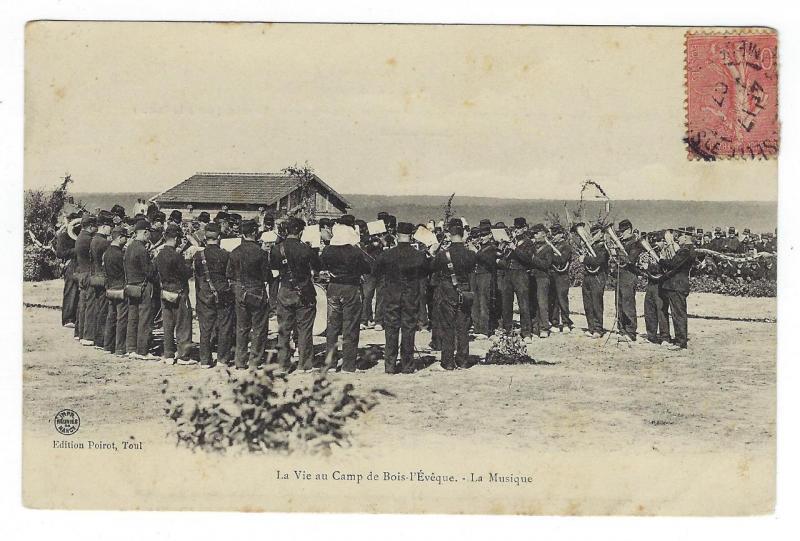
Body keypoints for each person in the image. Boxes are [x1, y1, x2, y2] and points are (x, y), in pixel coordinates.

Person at [374, 221, 433, 374]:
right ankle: (407, 365)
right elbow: (426, 272)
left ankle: (390, 365)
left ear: (397, 235)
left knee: (391, 330)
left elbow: (376, 271)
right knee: (408, 330)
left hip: (391, 295)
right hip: (410, 296)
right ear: (411, 236)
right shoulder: (418, 255)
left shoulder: (387, 254)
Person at [320, 216, 373, 372]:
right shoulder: (354, 251)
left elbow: (321, 264)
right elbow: (367, 268)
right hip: (351, 287)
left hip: (333, 287)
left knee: (332, 326)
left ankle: (330, 363)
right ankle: (348, 365)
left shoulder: (328, 250)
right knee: (350, 326)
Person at [270, 217, 321, 371]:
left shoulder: (276, 249)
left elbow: (274, 268)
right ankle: (304, 365)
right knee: (305, 329)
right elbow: (318, 266)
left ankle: (283, 365)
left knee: (283, 329)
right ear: (300, 231)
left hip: (285, 290)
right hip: (304, 290)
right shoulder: (306, 248)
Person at [430, 221, 477, 369]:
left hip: (448, 290)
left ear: (449, 235)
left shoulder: (444, 254)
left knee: (447, 326)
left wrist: (432, 253)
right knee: (463, 326)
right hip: (465, 290)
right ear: (463, 235)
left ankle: (448, 362)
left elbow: (432, 268)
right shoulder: (470, 254)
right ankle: (463, 360)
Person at [227, 219, 272, 369]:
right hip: (257, 292)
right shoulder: (261, 253)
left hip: (240, 292)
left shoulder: (234, 252)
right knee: (259, 328)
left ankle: (240, 361)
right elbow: (267, 276)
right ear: (253, 232)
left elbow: (229, 274)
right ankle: (254, 361)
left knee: (241, 328)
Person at [193, 222, 235, 368]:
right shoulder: (225, 254)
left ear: (205, 237)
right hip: (223, 293)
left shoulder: (199, 256)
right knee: (224, 327)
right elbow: (229, 274)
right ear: (219, 236)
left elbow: (198, 276)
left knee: (205, 328)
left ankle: (205, 360)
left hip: (205, 294)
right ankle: (223, 359)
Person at [154, 224, 195, 365]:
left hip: (165, 291)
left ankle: (169, 354)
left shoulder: (160, 254)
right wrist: (189, 262)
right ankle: (183, 355)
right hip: (179, 291)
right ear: (176, 238)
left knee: (168, 324)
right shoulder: (176, 256)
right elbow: (186, 273)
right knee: (183, 324)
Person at [125, 219, 158, 360]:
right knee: (145, 319)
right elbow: (149, 272)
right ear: (145, 232)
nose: (150, 236)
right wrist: (155, 260)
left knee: (132, 318)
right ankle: (143, 350)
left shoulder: (130, 247)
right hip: (143, 287)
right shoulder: (142, 249)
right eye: (149, 233)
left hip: (131, 286)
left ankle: (131, 348)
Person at [659, 230, 696, 350]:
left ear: (685, 238)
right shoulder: (687, 249)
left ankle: (680, 342)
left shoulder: (685, 250)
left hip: (677, 286)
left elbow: (673, 263)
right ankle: (680, 340)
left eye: (679, 237)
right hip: (676, 285)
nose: (677, 239)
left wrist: (660, 260)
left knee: (678, 314)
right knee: (677, 313)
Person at [499, 217, 535, 342]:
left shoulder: (529, 242)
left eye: (519, 228)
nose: (517, 230)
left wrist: (514, 248)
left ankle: (526, 333)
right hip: (508, 273)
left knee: (523, 304)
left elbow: (527, 259)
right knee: (506, 303)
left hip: (521, 274)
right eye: (515, 228)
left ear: (525, 228)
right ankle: (507, 330)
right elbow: (503, 257)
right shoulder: (512, 241)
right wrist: (503, 247)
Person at [86, 211, 114, 348]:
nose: (111, 229)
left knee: (98, 308)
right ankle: (101, 339)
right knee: (104, 310)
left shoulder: (93, 240)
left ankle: (97, 337)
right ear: (103, 226)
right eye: (110, 226)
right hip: (104, 278)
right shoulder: (104, 242)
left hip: (95, 276)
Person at [614, 219, 644, 342]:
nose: (620, 234)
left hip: (630, 275)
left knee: (628, 304)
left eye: (623, 231)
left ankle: (631, 332)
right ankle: (621, 329)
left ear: (629, 230)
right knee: (619, 303)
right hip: (620, 275)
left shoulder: (635, 243)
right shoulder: (622, 242)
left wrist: (618, 252)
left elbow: (630, 259)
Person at [102, 226, 128, 356]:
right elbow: (126, 272)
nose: (126, 240)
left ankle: (107, 346)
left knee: (110, 318)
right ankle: (120, 348)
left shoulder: (107, 253)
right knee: (121, 319)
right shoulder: (121, 254)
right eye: (125, 237)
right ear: (119, 237)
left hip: (110, 288)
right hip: (121, 289)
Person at [580, 224, 609, 338]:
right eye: (592, 234)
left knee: (596, 303)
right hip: (588, 276)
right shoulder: (590, 246)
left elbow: (598, 261)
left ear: (601, 234)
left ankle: (598, 329)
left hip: (598, 277)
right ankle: (591, 327)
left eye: (595, 234)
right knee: (588, 304)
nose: (592, 236)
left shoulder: (603, 248)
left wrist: (585, 259)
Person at [525, 223, 554, 338]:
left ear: (543, 234)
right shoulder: (532, 247)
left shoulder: (548, 248)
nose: (535, 236)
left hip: (542, 278)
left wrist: (532, 258)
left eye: (537, 233)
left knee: (542, 304)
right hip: (532, 278)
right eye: (534, 234)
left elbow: (546, 264)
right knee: (533, 303)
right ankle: (535, 327)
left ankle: (544, 328)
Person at [642, 232, 671, 346]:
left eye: (658, 241)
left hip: (662, 284)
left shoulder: (667, 253)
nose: (655, 244)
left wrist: (648, 267)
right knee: (649, 309)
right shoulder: (651, 252)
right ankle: (651, 336)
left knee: (661, 311)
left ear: (663, 242)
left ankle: (665, 337)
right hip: (651, 283)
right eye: (654, 242)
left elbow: (663, 267)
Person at [472, 223, 499, 339]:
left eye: (483, 235)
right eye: (480, 235)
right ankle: (477, 327)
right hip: (477, 275)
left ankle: (484, 330)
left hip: (486, 276)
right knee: (475, 303)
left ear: (489, 235)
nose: (481, 238)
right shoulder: (481, 247)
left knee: (484, 302)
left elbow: (489, 261)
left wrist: (476, 252)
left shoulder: (492, 247)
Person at [74, 215, 97, 344]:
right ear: (90, 226)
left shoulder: (79, 237)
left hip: (82, 273)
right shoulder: (89, 239)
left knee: (82, 305)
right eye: (95, 226)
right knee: (90, 305)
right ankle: (88, 336)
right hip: (89, 274)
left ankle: (79, 332)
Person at [55, 212, 81, 328]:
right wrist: (75, 250)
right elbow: (59, 253)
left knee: (78, 292)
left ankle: (75, 318)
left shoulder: (79, 234)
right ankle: (67, 319)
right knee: (70, 291)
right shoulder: (63, 236)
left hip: (79, 265)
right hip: (70, 265)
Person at [548, 224, 573, 333]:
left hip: (562, 276)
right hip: (553, 275)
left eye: (556, 234)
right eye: (553, 234)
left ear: (561, 234)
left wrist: (550, 256)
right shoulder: (552, 245)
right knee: (553, 300)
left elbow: (562, 259)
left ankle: (566, 323)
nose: (553, 236)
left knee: (562, 299)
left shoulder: (566, 246)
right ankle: (555, 322)